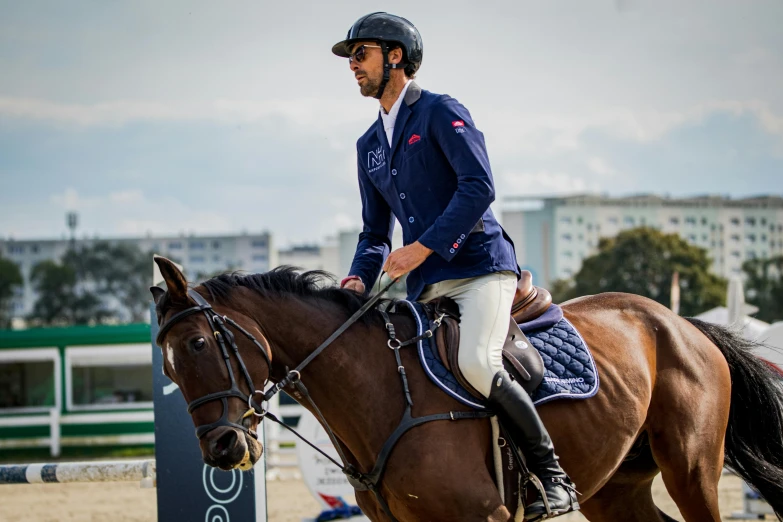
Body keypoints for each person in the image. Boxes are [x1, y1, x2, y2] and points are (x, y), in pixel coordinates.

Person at [332, 12, 579, 520]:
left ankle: (552, 477)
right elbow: (375, 233)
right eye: (350, 58)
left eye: (361, 54)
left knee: (475, 363)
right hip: (425, 286)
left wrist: (421, 248)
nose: (352, 66)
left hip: (481, 269)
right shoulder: (368, 147)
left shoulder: (441, 112)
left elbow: (478, 187)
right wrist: (359, 274)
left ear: (395, 56)